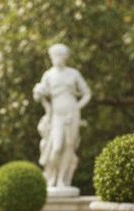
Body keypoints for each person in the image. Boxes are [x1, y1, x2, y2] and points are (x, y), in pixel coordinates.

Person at [33, 43, 91, 190]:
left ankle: (61, 180)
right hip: (56, 115)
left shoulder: (73, 73)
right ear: (51, 57)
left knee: (69, 147)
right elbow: (39, 94)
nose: (58, 58)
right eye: (55, 56)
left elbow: (87, 93)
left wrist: (76, 108)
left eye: (61, 55)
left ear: (65, 57)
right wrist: (39, 93)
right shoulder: (49, 75)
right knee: (57, 146)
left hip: (72, 113)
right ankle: (51, 176)